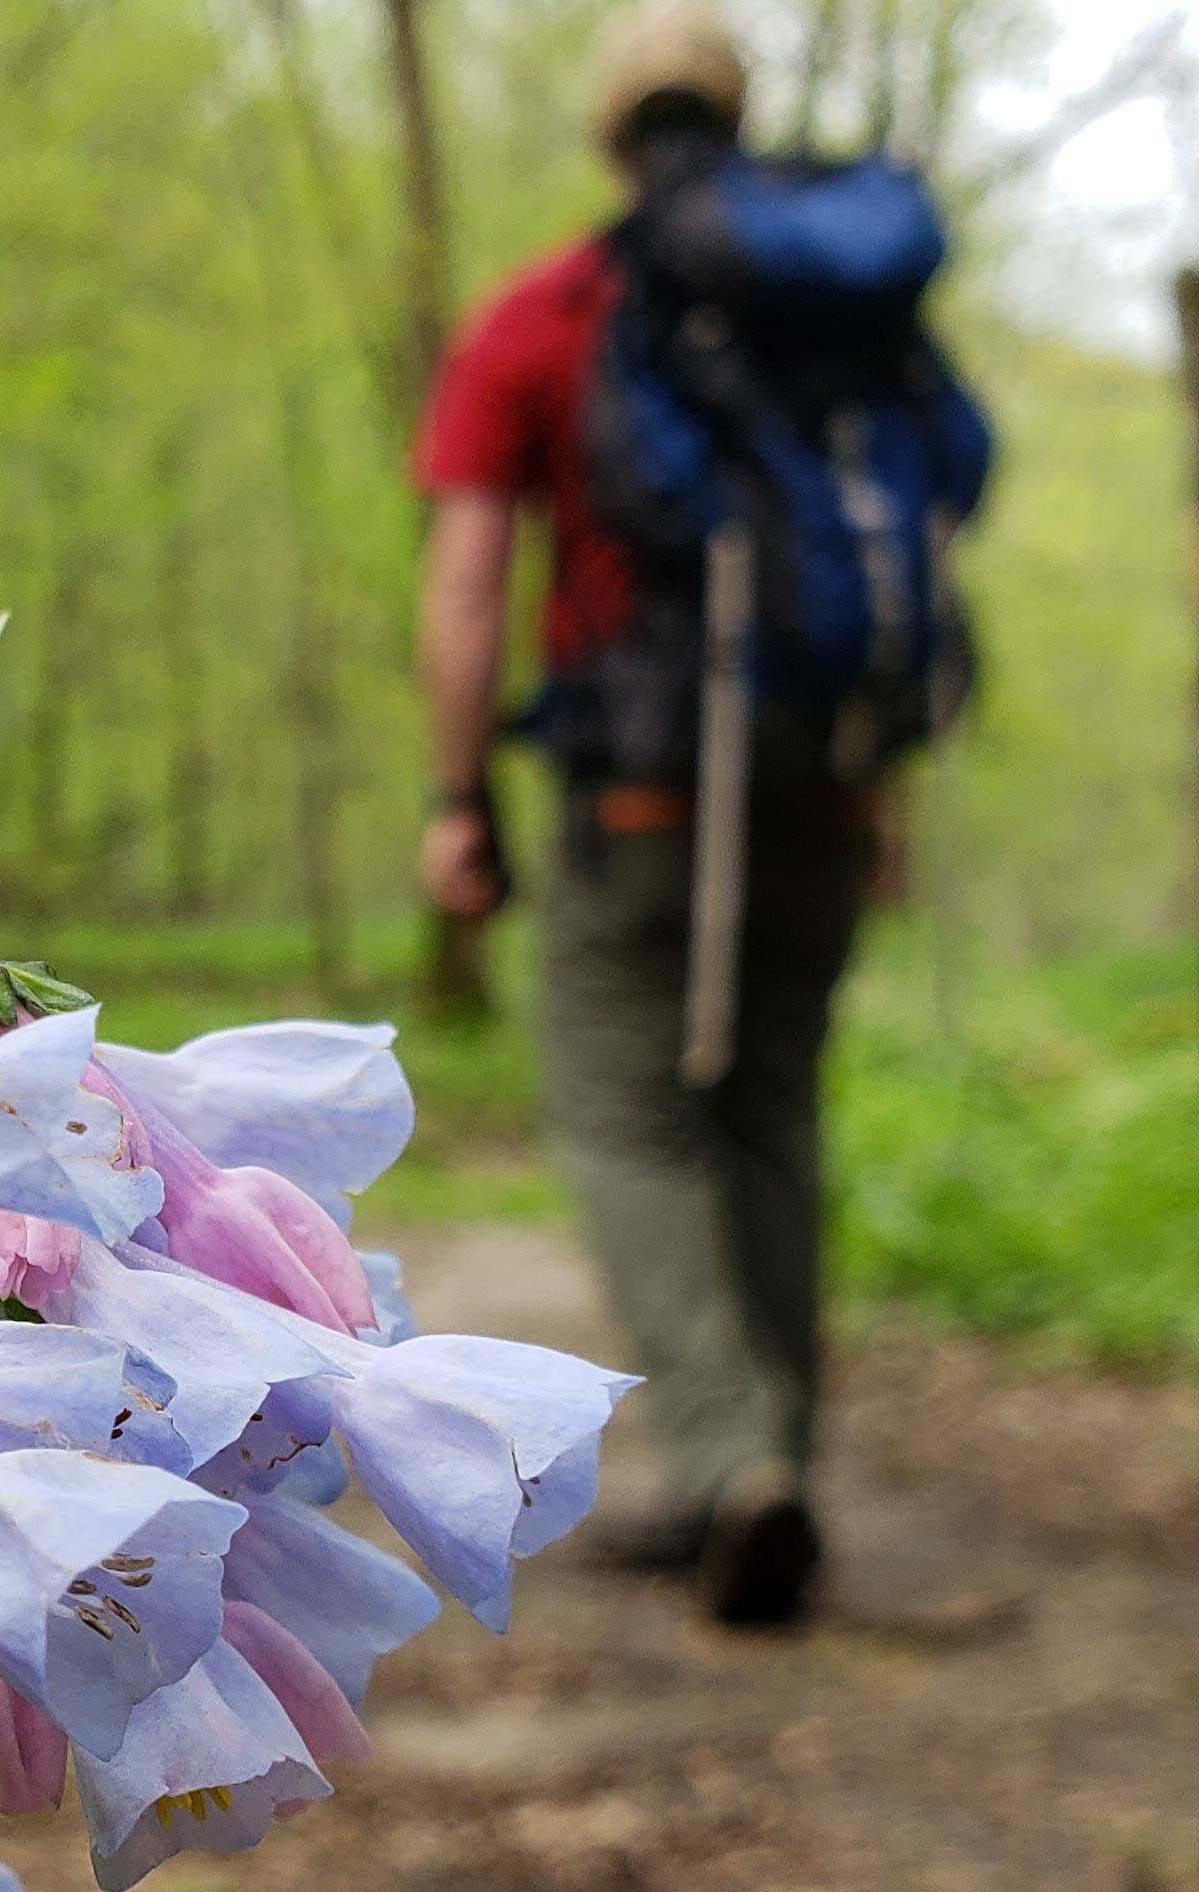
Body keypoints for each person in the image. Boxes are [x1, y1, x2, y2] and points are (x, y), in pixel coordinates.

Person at [410, 4, 989, 1626]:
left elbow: (466, 585)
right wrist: (880, 791)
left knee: (626, 1119)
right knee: (769, 1117)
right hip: (820, 776)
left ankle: (736, 1470)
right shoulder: (838, 331)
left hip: (641, 794)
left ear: (613, 136)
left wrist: (460, 800)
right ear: (741, 125)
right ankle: (768, 1457)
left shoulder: (550, 316)